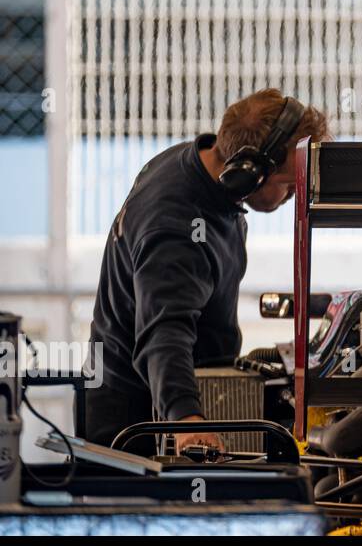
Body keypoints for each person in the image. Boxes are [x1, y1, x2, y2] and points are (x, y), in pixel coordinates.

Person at [84, 89, 329, 452]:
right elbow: (163, 332)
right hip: (135, 422)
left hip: (170, 391)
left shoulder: (198, 167)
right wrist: (186, 419)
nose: (295, 193)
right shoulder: (175, 227)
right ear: (251, 171)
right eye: (288, 185)